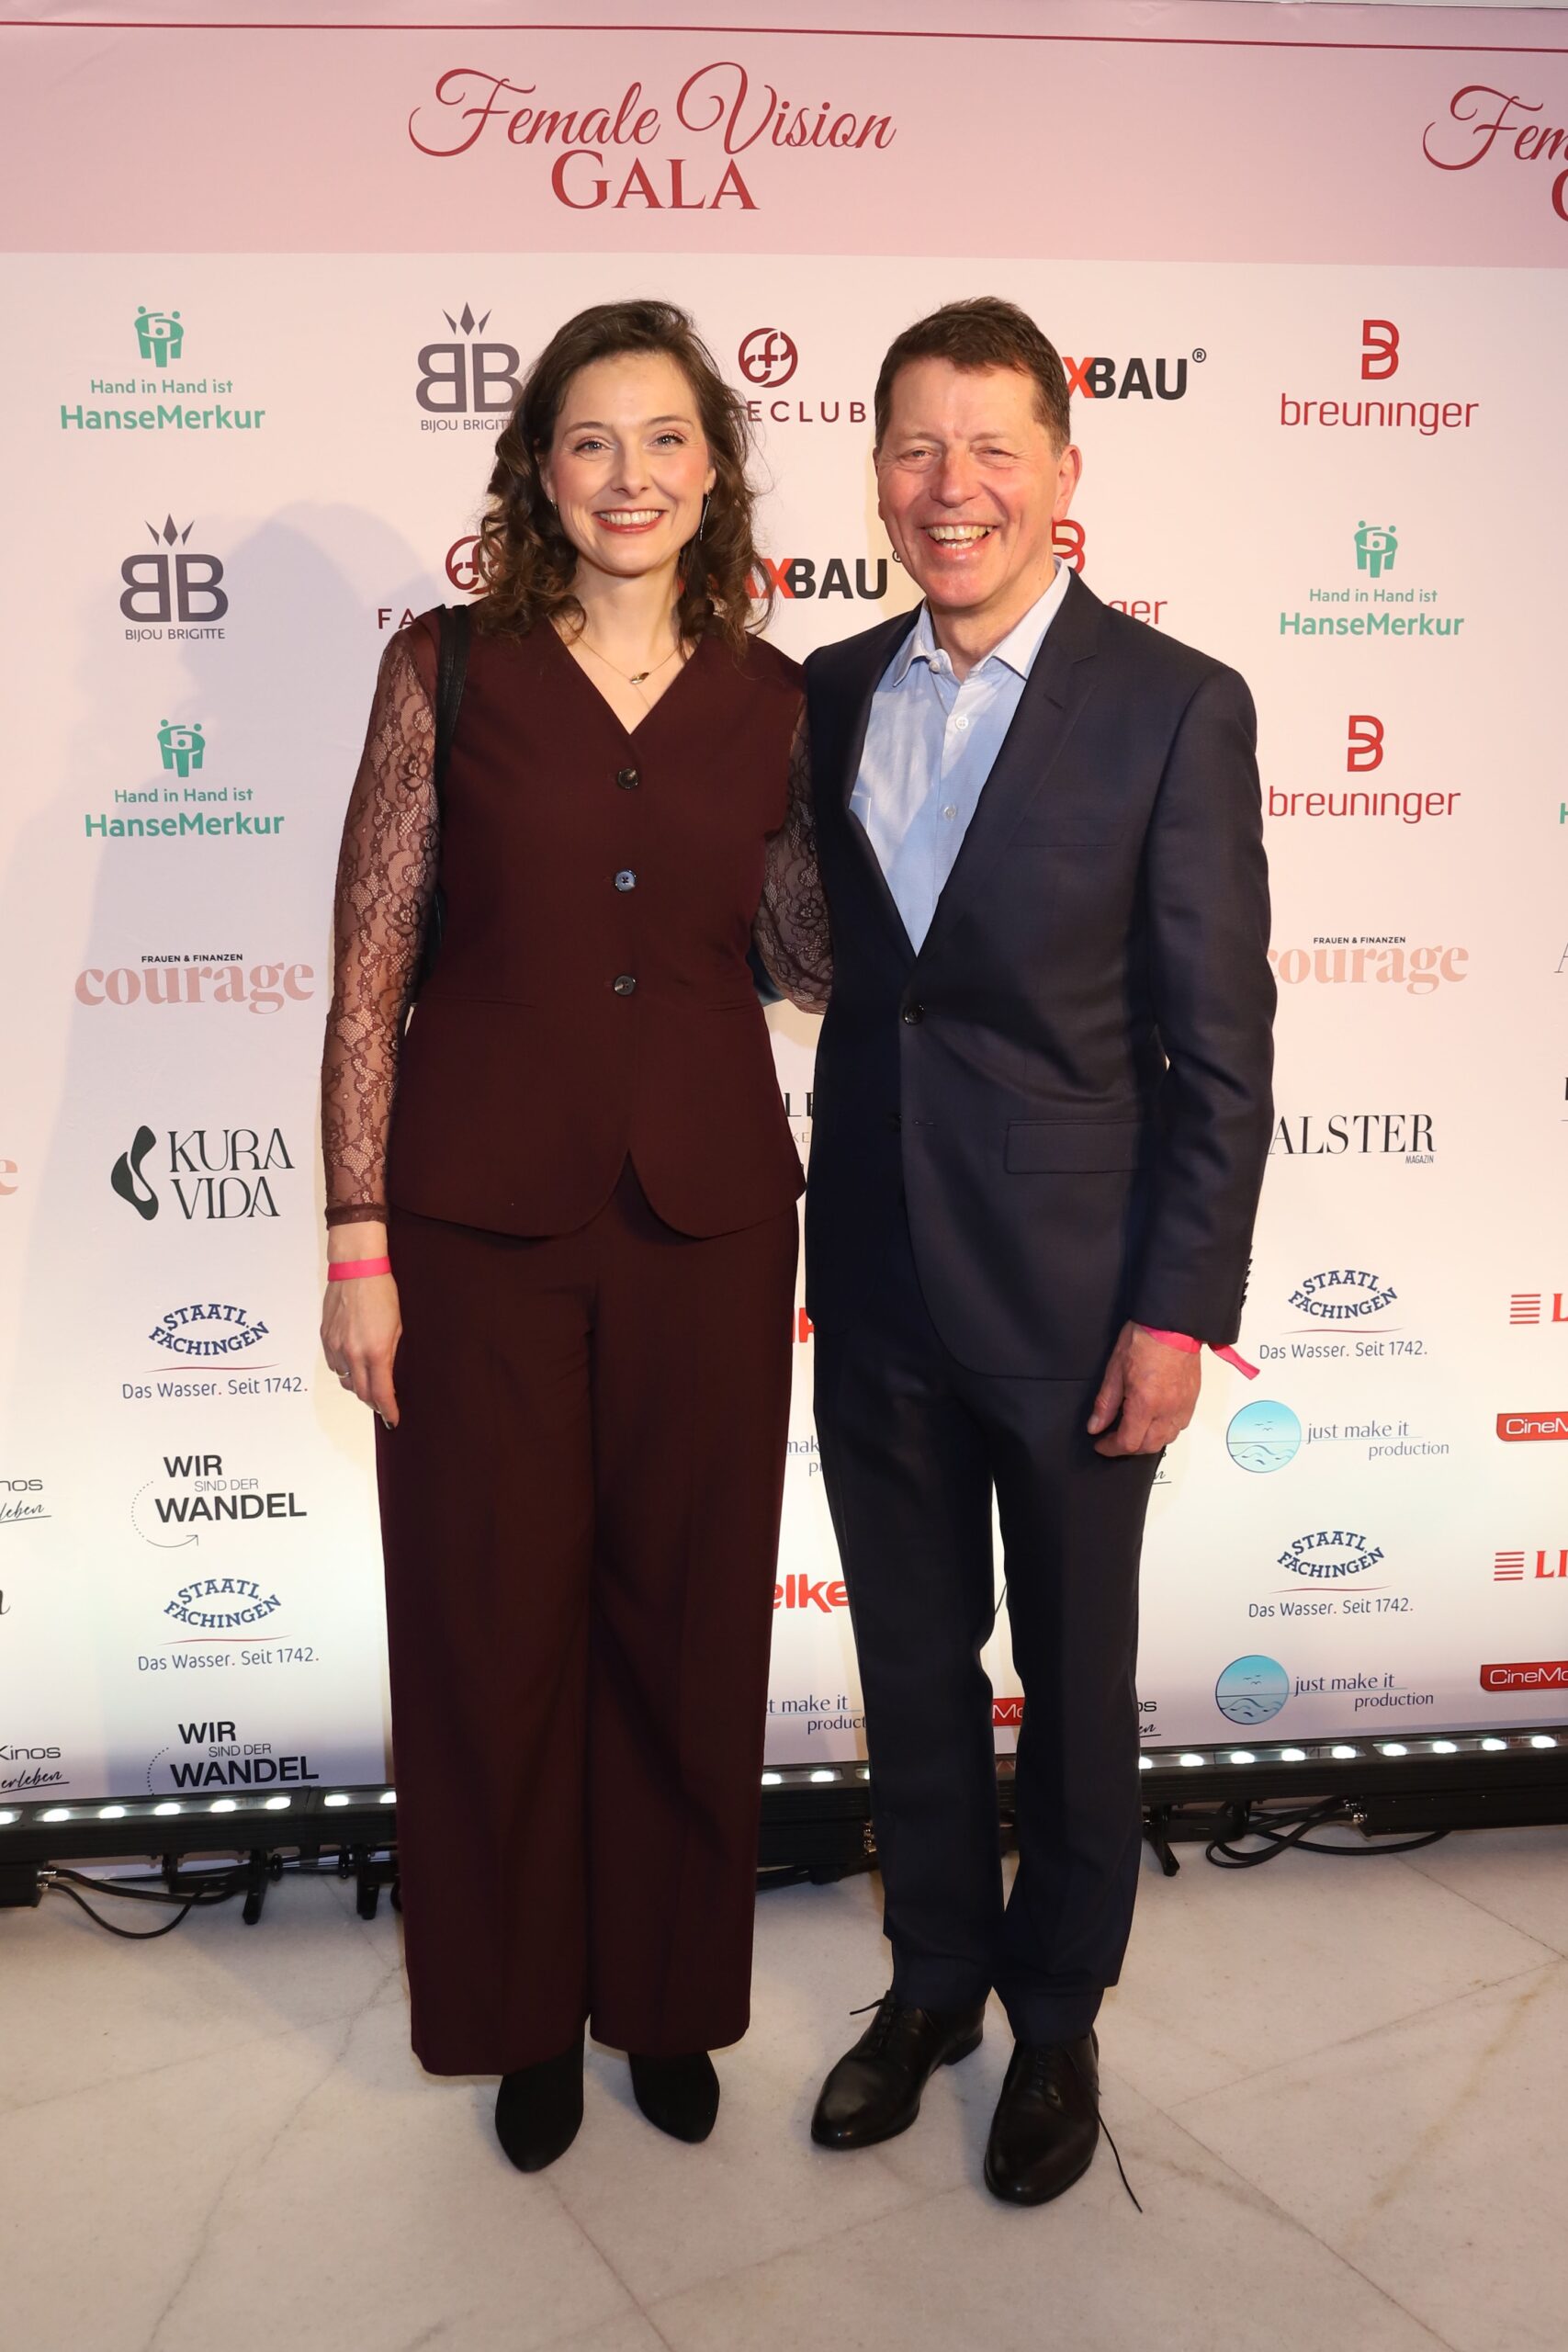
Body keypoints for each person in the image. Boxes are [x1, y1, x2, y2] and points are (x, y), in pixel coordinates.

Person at [319, 299, 829, 2174]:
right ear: (540, 470)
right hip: (475, 1227)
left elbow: (803, 962)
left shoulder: (781, 699)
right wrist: (356, 1234)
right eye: (592, 440)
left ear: (714, 470)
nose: (630, 474)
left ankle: (667, 1998)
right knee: (489, 1628)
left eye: (665, 437)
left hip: (709, 1221)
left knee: (686, 1620)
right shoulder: (443, 668)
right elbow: (370, 968)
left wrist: (900, 819)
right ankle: (522, 2013)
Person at [802, 299, 1274, 2205]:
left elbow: (1219, 1050)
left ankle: (1058, 2014)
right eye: (917, 447)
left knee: (1075, 1674)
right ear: (876, 474)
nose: (953, 487)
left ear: (1063, 473)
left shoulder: (1173, 704)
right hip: (872, 1271)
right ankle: (932, 1980)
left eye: (992, 447)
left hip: (1080, 1296)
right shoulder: (828, 687)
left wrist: (1178, 1311)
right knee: (909, 1656)